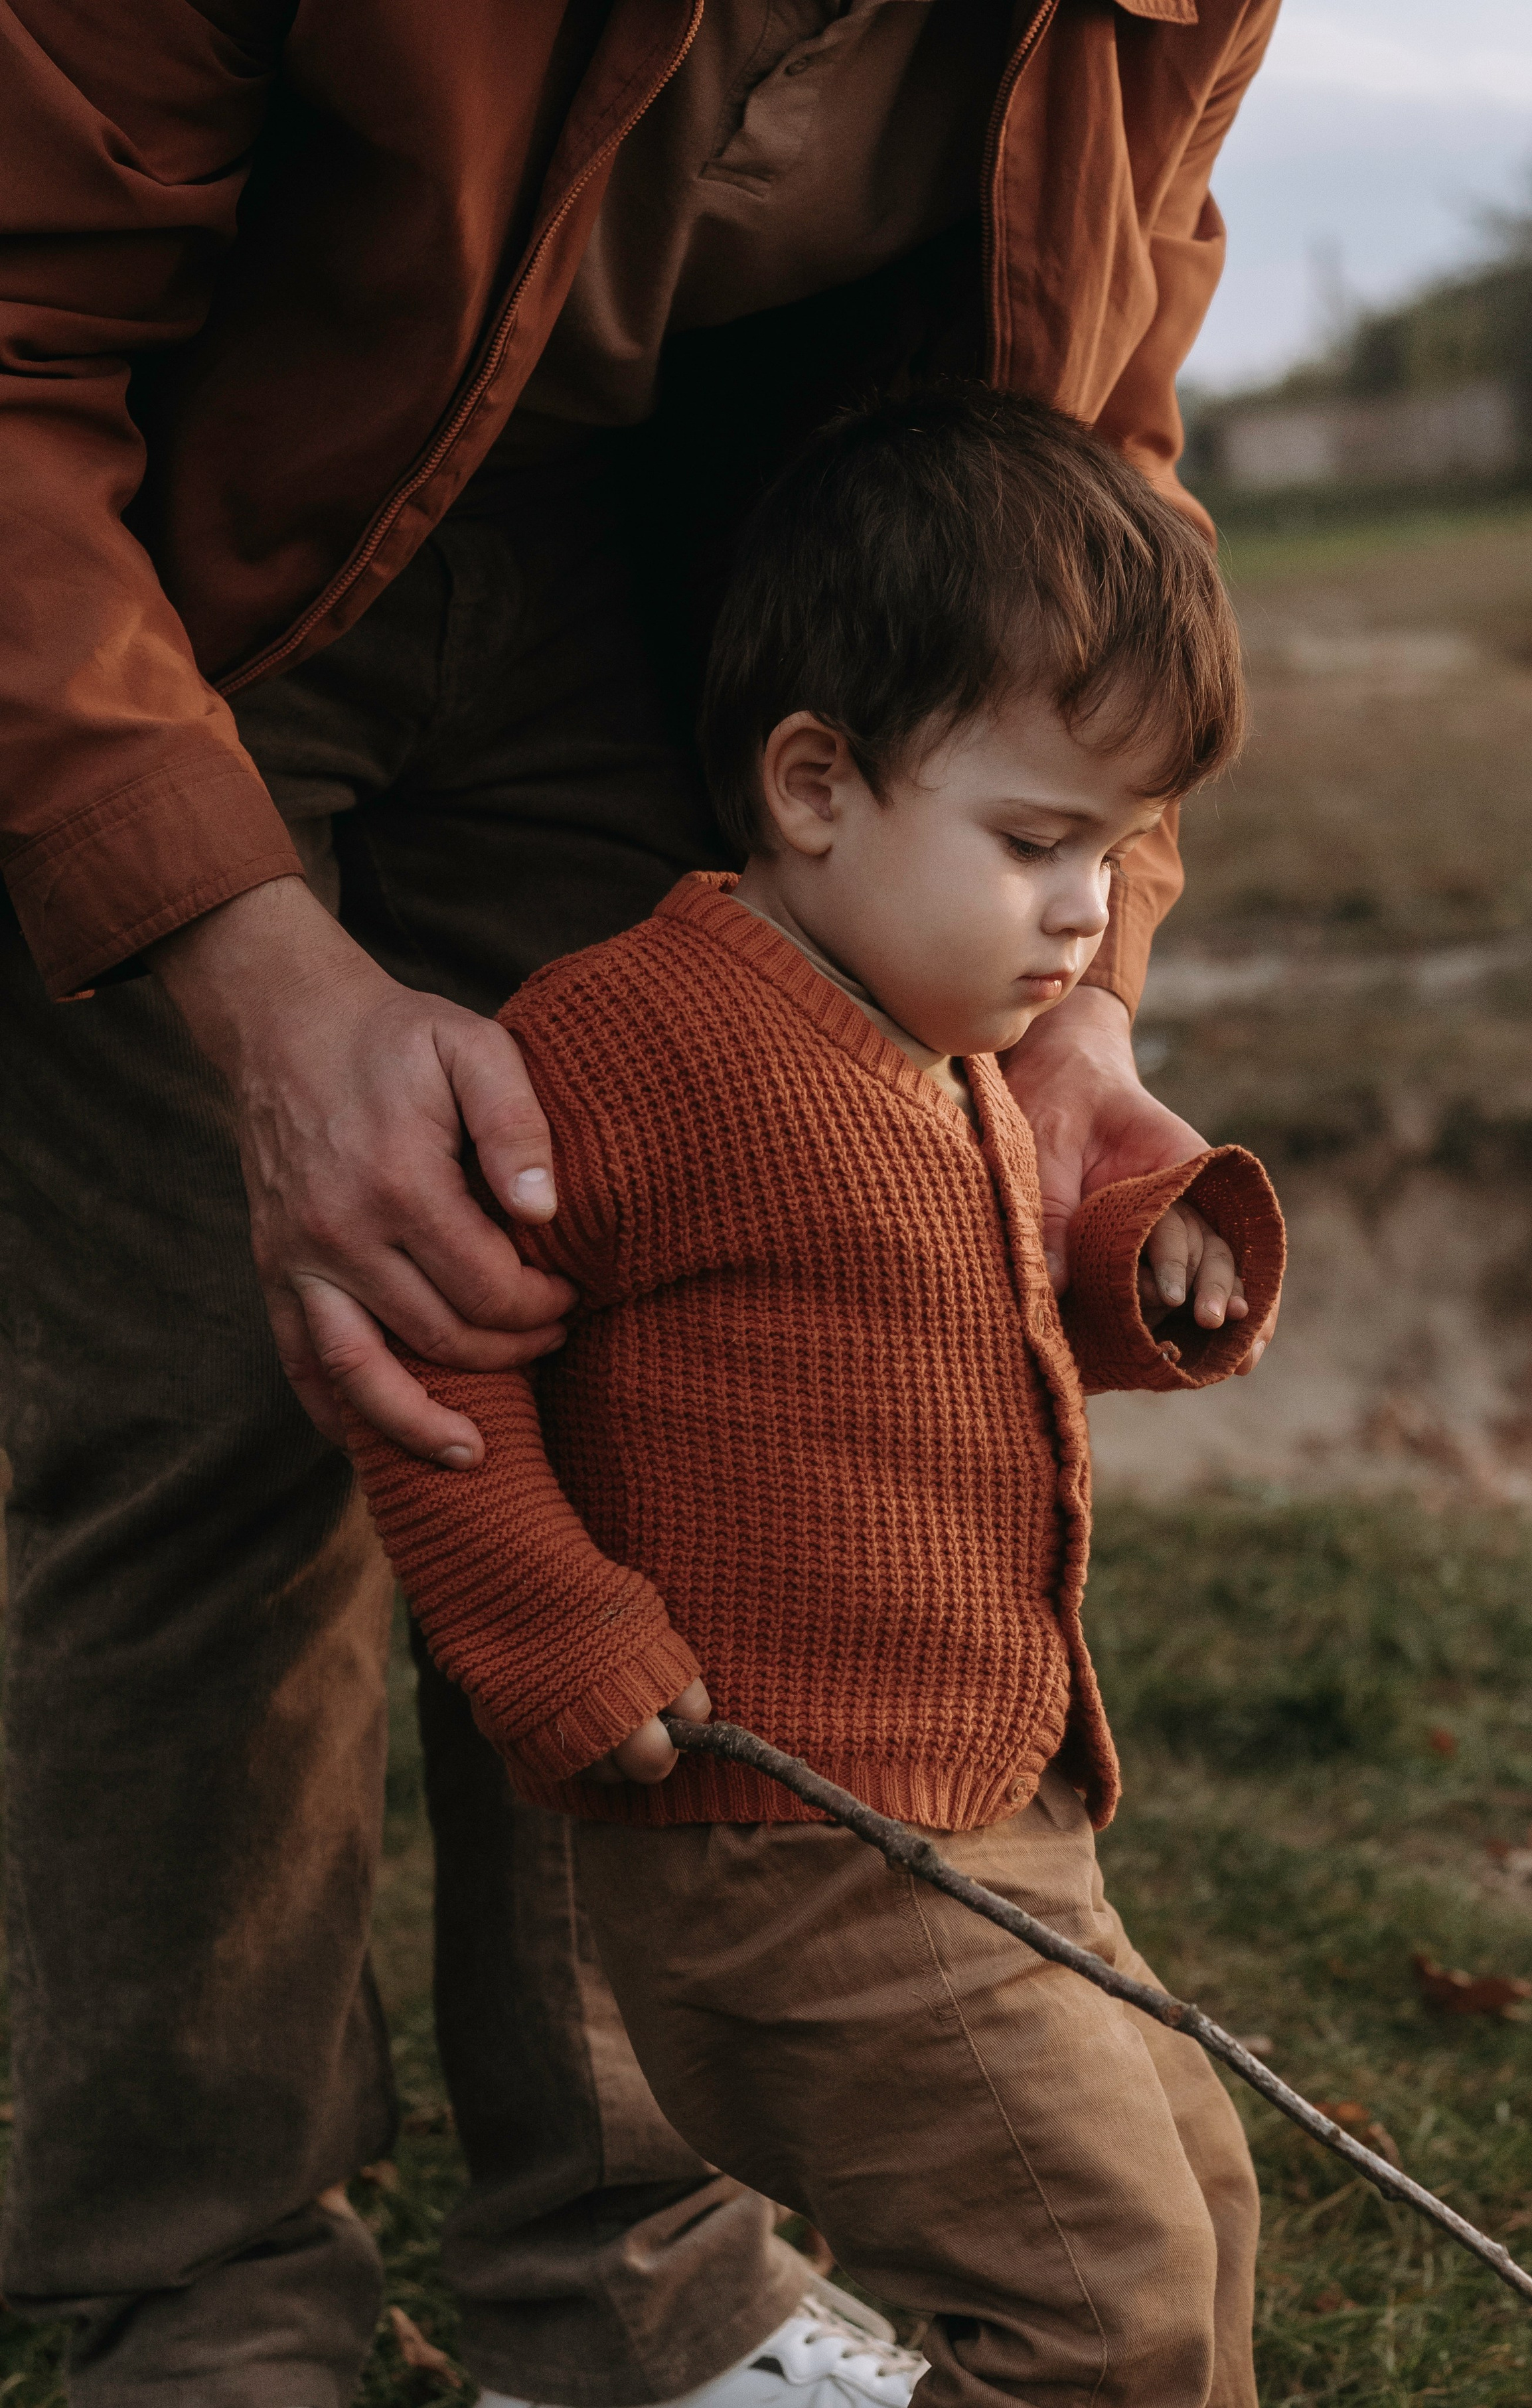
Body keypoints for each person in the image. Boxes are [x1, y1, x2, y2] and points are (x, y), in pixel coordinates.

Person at [0, 5, 1280, 2403]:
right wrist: (250, 972)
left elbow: (1102, 401)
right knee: (201, 1416)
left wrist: (1090, 983)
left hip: (699, 600)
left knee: (659, 1371)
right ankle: (205, 2309)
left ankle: (630, 2293)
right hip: (147, 572)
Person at [349, 389, 1287, 2408]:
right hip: (790, 1851)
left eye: (1113, 854)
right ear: (812, 783)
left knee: (1199, 2210)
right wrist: (545, 1619)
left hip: (993, 1813)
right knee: (1097, 2313)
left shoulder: (925, 1027)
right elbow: (432, 1341)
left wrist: (1138, 1260)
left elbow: (930, 1322)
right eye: (1039, 843)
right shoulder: (642, 1038)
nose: (1081, 912)